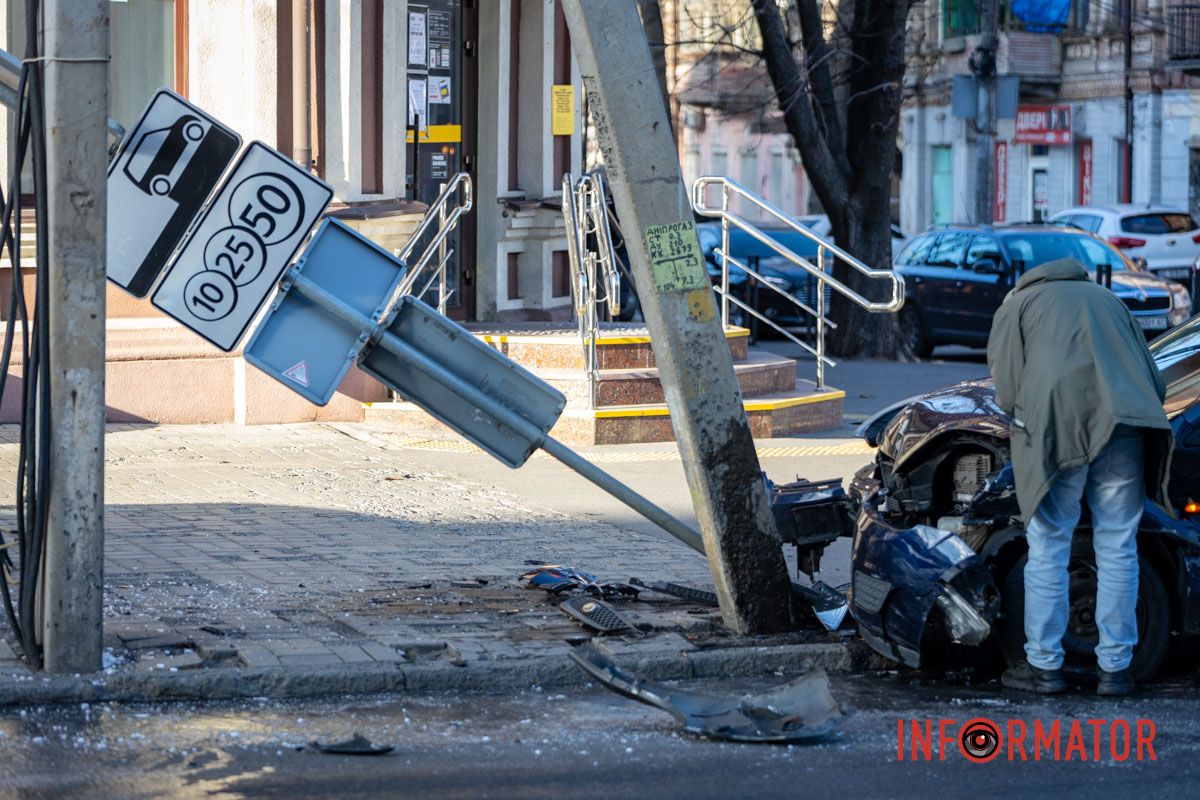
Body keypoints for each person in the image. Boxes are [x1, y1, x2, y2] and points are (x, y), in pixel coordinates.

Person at [987, 258, 1172, 696]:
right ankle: (1116, 670)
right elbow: (1155, 384)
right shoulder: (1110, 300)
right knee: (1119, 545)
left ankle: (1044, 666)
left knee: (1049, 544)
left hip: (1056, 429)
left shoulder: (1019, 303)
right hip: (1124, 425)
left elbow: (1008, 389)